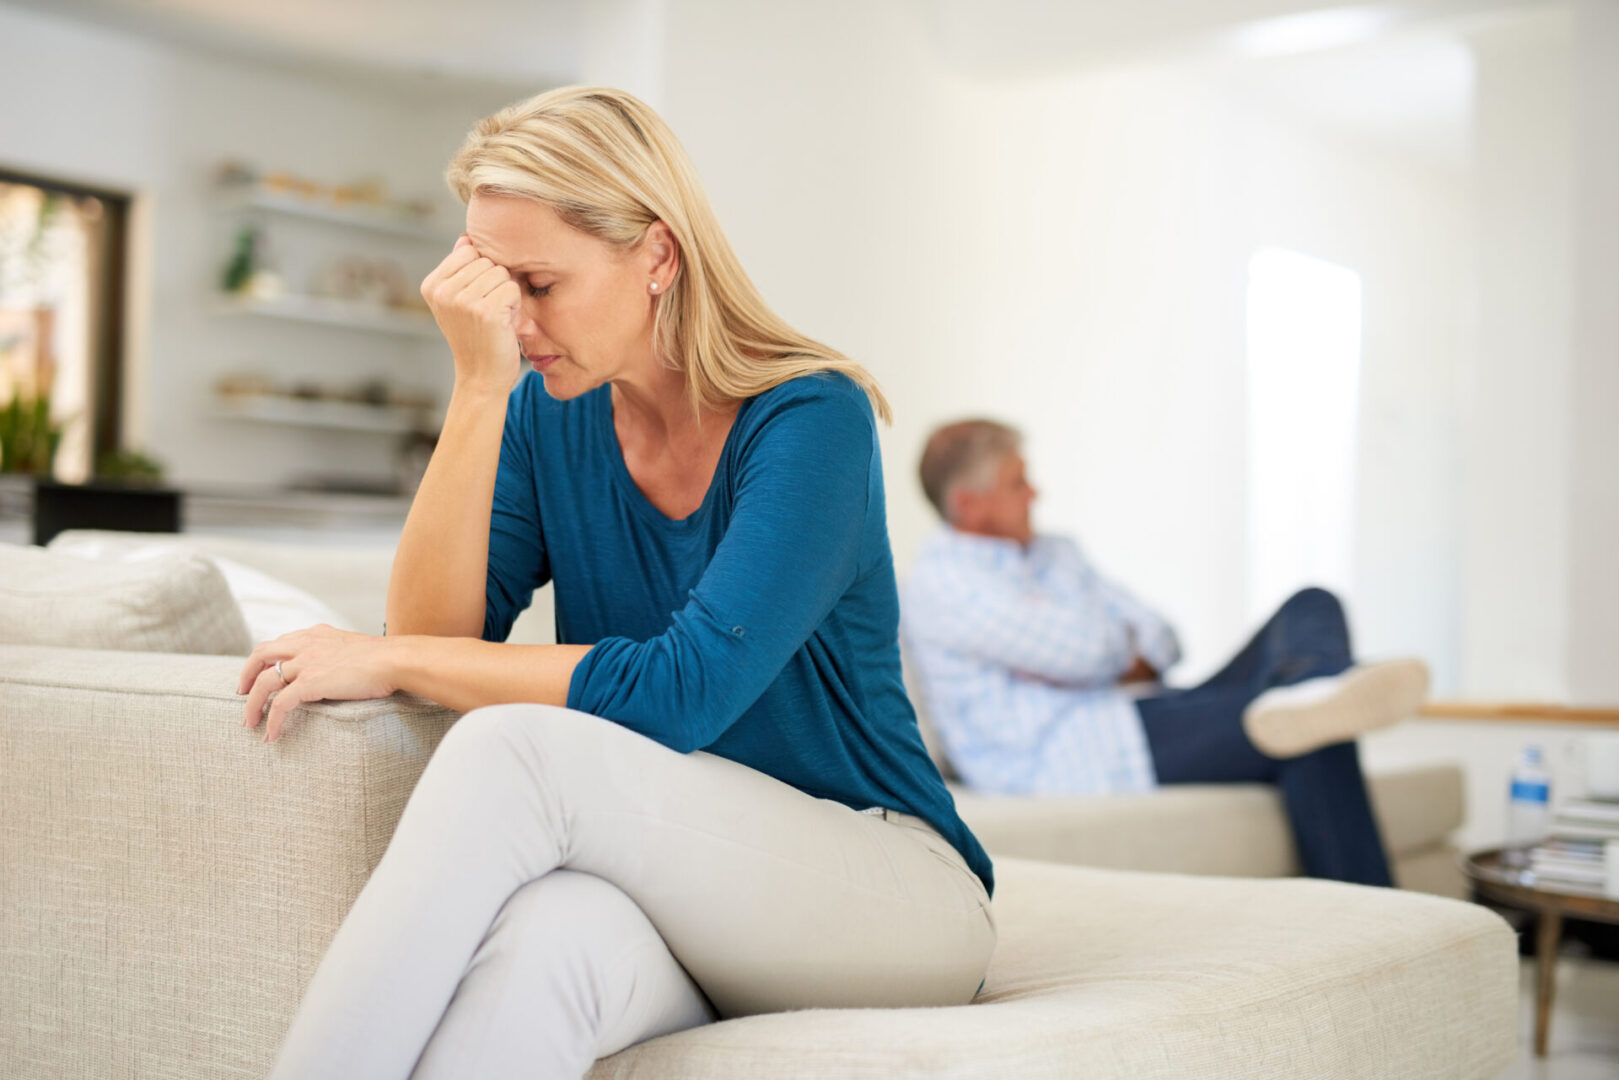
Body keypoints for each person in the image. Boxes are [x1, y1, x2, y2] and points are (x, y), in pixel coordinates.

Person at [235, 87, 994, 1080]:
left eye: (538, 285)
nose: (515, 321)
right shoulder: (549, 411)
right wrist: (475, 390)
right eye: (492, 288)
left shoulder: (810, 418)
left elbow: (684, 692)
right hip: (693, 886)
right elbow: (429, 637)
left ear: (657, 256)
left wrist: (387, 654)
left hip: (891, 891)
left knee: (516, 750)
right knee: (552, 938)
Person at [901, 418, 1430, 888]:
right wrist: (1108, 645)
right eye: (1018, 483)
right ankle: (1382, 908)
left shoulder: (1057, 551)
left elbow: (1162, 637)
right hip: (1079, 752)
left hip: (1144, 707)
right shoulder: (941, 585)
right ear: (970, 505)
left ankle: (1316, 685)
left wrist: (1097, 653)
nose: (1035, 493)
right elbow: (1087, 651)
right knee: (1309, 728)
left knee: (1312, 605)